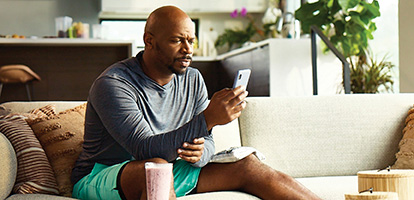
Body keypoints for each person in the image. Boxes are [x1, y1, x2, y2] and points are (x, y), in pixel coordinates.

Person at [71, 5, 321, 200]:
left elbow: (207, 140)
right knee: (155, 168)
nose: (188, 49)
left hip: (169, 168)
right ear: (149, 41)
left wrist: (201, 154)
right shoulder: (113, 84)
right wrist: (208, 118)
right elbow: (144, 150)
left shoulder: (192, 79)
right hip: (102, 175)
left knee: (248, 166)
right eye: (177, 40)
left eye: (191, 40)